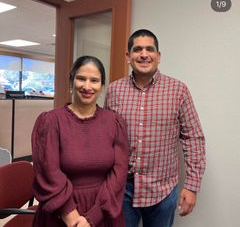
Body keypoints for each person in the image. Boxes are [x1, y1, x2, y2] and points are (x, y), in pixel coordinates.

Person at [105, 29, 206, 227]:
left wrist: (192, 187)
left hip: (163, 190)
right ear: (128, 56)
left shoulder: (178, 90)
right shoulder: (114, 90)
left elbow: (193, 138)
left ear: (158, 57)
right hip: (121, 188)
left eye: (150, 49)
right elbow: (107, 137)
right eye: (137, 49)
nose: (144, 54)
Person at [31, 55, 129, 227]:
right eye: (81, 79)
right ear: (71, 81)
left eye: (94, 80)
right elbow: (48, 171)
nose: (87, 86)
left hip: (104, 210)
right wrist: (70, 214)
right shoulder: (51, 122)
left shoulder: (114, 122)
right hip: (61, 212)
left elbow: (119, 174)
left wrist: (93, 216)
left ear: (102, 86)